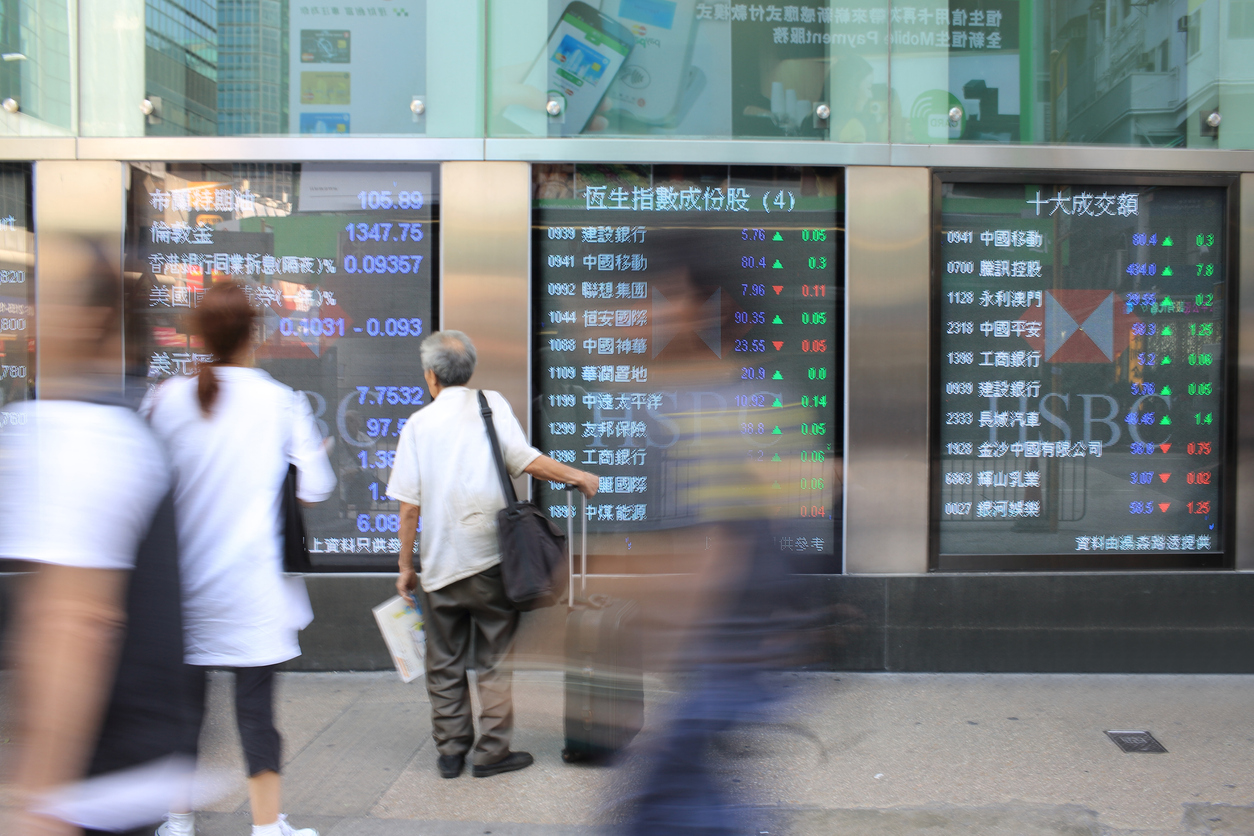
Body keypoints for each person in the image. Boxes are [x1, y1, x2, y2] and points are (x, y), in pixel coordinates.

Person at [1, 241, 190, 836]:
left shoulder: (79, 436)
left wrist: (40, 797)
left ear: (88, 319)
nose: (28, 316)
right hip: (136, 762)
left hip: (96, 773)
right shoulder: (121, 428)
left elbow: (75, 620)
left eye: (42, 302)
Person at [142, 281, 335, 836]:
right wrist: (301, 465)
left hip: (181, 591)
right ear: (256, 334)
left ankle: (177, 821)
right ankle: (267, 826)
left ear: (197, 335)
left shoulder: (164, 398)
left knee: (183, 712)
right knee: (256, 715)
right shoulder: (278, 400)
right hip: (253, 591)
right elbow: (316, 490)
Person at [387, 330, 598, 779]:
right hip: (491, 564)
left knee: (443, 662)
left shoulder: (417, 425)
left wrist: (406, 567)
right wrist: (576, 475)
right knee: (495, 660)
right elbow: (526, 459)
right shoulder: (491, 404)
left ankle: (450, 752)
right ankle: (492, 753)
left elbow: (409, 510)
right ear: (469, 371)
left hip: (441, 567)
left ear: (430, 376)